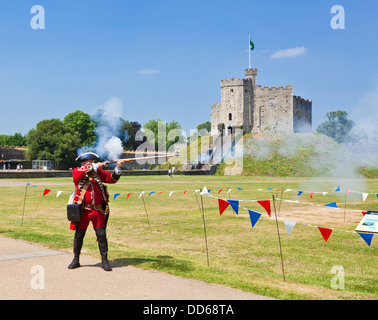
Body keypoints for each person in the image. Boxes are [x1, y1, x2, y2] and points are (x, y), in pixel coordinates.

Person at [68, 152, 125, 271]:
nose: (92, 163)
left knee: (101, 235)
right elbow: (77, 175)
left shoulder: (97, 172)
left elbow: (111, 179)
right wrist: (96, 166)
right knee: (79, 235)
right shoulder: (77, 171)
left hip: (98, 210)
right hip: (83, 210)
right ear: (83, 163)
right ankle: (76, 259)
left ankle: (104, 261)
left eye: (93, 161)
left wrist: (118, 167)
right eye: (89, 162)